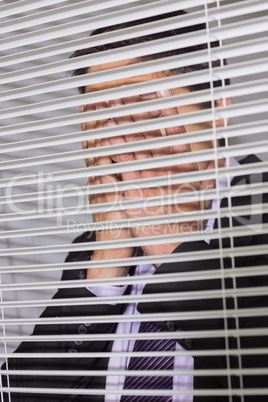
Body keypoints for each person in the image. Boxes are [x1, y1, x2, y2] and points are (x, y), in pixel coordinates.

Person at [2, 11, 268, 402]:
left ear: (217, 109)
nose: (123, 144)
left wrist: (171, 245)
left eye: (149, 109)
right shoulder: (89, 250)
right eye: (101, 121)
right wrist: (105, 263)